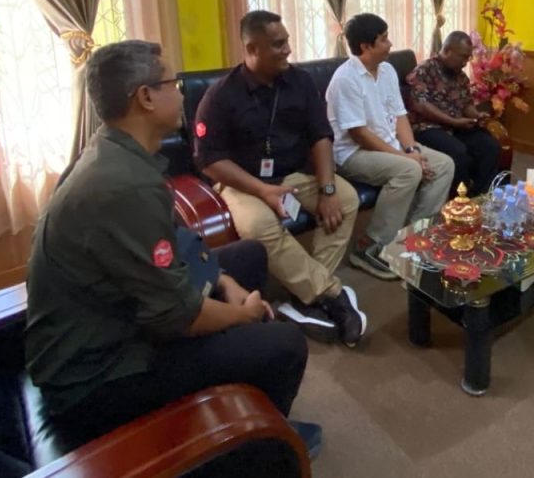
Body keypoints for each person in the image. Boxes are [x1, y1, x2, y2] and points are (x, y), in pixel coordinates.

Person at [24, 40, 318, 456]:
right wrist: (245, 314)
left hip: (122, 316)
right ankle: (263, 445)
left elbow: (178, 243)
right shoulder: (124, 185)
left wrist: (223, 281)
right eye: (173, 84)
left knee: (248, 256)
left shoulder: (114, 151)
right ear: (145, 97)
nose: (181, 94)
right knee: (285, 343)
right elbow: (178, 316)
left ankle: (241, 401)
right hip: (99, 376)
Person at [194, 10, 365, 347]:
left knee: (345, 200)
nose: (288, 49)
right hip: (243, 183)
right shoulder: (221, 96)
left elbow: (321, 135)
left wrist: (328, 189)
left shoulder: (301, 82)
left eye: (286, 41)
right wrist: (262, 190)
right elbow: (209, 160)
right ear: (252, 49)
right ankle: (332, 294)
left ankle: (307, 296)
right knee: (258, 226)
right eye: (278, 44)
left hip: (293, 174)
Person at [327, 13, 454, 280]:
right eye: (384, 39)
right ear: (366, 46)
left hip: (389, 145)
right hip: (352, 154)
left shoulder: (387, 71)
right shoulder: (345, 79)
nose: (390, 43)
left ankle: (413, 238)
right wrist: (405, 158)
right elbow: (359, 135)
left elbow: (399, 116)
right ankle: (369, 247)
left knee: (443, 165)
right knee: (408, 171)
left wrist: (412, 151)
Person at [405, 31, 501, 197]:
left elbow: (466, 104)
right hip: (427, 128)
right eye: (463, 57)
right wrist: (453, 121)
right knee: (458, 151)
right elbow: (421, 106)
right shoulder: (424, 71)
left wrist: (476, 115)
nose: (465, 62)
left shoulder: (461, 77)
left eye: (468, 57)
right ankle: (458, 201)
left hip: (456, 126)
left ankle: (479, 197)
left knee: (489, 145)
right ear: (447, 50)